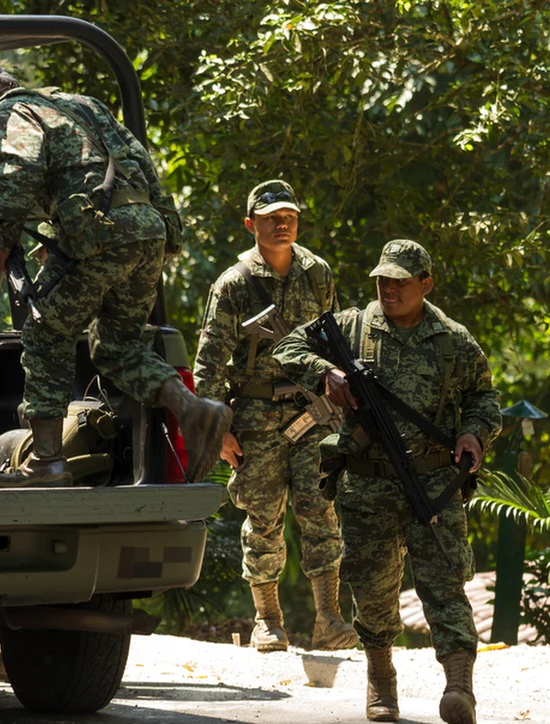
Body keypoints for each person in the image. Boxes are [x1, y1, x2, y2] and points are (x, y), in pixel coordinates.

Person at [0, 65, 231, 487]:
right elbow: (139, 163)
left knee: (46, 332)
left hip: (102, 236)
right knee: (116, 345)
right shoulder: (79, 104)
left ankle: (48, 462)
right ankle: (194, 410)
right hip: (148, 232)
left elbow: (19, 169)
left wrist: (1, 241)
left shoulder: (8, 111)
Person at [273, 239, 501, 724]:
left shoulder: (453, 340)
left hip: (433, 484)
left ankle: (459, 686)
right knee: (372, 590)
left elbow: (485, 397)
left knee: (445, 583)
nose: (388, 288)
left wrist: (473, 434)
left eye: (400, 281)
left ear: (426, 285)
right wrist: (325, 372)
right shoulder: (353, 327)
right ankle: (381, 680)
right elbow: (285, 347)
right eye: (382, 279)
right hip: (367, 484)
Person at [192, 179, 357, 653]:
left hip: (313, 412)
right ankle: (268, 622)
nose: (282, 224)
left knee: (321, 511)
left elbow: (337, 340)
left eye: (288, 216)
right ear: (251, 225)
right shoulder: (233, 284)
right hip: (255, 418)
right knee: (262, 518)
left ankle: (329, 620)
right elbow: (208, 364)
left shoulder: (317, 273)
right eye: (270, 218)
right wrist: (217, 430)